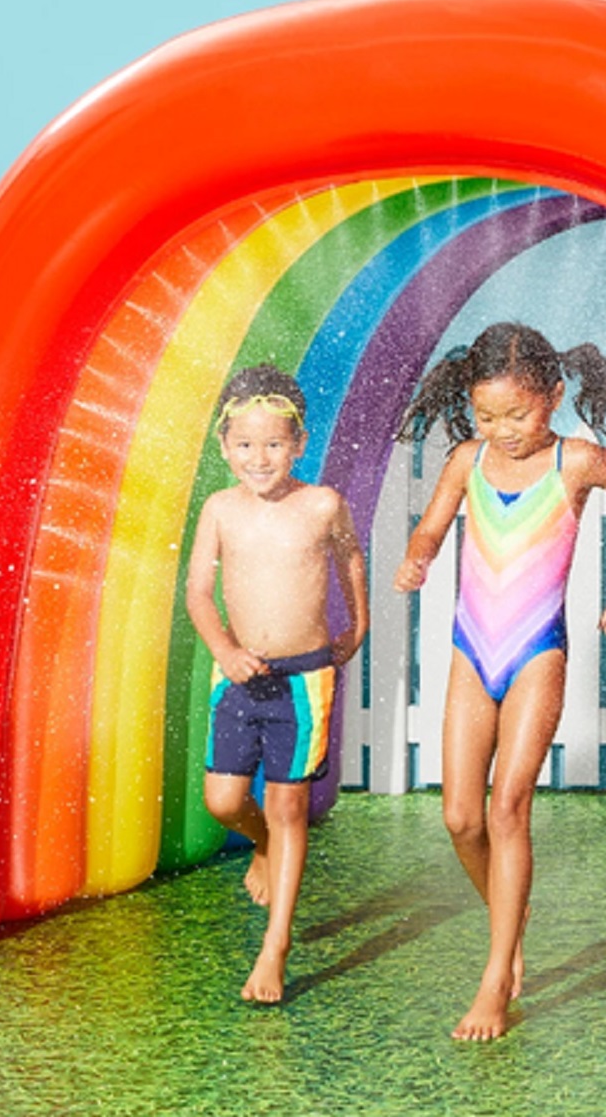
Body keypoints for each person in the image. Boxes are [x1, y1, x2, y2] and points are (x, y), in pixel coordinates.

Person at [394, 322, 606, 1040]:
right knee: (460, 816)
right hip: (470, 654)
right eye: (488, 415)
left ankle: (496, 977)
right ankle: (510, 913)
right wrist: (418, 556)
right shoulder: (465, 460)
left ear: (553, 396)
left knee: (508, 806)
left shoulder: (574, 462)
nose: (503, 430)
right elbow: (430, 529)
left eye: (518, 414)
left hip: (537, 652)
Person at [186, 364, 369, 1004]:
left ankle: (276, 948)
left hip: (303, 679)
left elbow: (349, 557)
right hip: (239, 674)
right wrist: (224, 649)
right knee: (223, 801)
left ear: (298, 444)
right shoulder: (220, 510)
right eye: (244, 445)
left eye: (273, 444)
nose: (258, 458)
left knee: (290, 806)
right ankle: (262, 846)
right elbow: (198, 594)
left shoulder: (321, 504)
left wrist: (361, 621)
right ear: (224, 447)